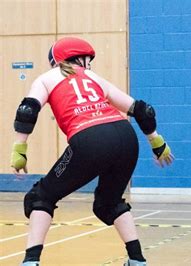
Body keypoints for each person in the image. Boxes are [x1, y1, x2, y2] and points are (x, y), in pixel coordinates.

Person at [10, 37, 174, 266]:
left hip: (90, 139)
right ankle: (137, 260)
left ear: (56, 61)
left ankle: (30, 261)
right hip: (125, 137)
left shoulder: (47, 78)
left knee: (40, 197)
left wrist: (20, 148)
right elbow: (142, 110)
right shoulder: (93, 78)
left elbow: (27, 110)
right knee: (109, 202)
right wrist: (157, 142)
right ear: (82, 59)